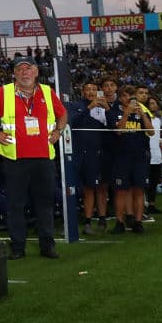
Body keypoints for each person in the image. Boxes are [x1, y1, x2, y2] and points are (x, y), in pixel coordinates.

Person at [0, 56, 67, 259]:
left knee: (45, 204)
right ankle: (17, 248)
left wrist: (59, 130)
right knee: (15, 205)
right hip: (15, 159)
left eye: (28, 68)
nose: (24, 72)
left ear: (36, 72)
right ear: (14, 73)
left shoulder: (47, 92)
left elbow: (63, 114)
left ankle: (47, 246)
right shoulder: (4, 92)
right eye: (20, 69)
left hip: (44, 158)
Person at [106, 85, 153, 234]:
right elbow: (119, 131)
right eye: (126, 95)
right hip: (121, 157)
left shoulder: (142, 111)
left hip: (140, 157)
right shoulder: (114, 111)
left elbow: (151, 131)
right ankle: (120, 222)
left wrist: (142, 114)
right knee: (120, 191)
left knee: (139, 190)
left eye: (132, 95)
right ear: (120, 98)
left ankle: (138, 223)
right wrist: (126, 113)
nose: (130, 98)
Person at [69, 82, 110, 235]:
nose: (91, 92)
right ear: (83, 91)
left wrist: (107, 109)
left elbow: (113, 125)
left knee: (102, 187)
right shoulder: (76, 106)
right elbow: (71, 121)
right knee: (88, 188)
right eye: (88, 89)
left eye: (94, 89)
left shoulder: (105, 106)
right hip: (83, 154)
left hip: (102, 153)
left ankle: (102, 219)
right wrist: (89, 108)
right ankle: (87, 221)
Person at [145, 95, 162, 215]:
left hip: (157, 154)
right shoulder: (144, 119)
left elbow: (156, 137)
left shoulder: (158, 120)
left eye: (155, 103)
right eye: (151, 103)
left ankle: (152, 205)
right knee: (144, 183)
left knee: (154, 182)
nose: (154, 105)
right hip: (146, 154)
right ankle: (144, 205)